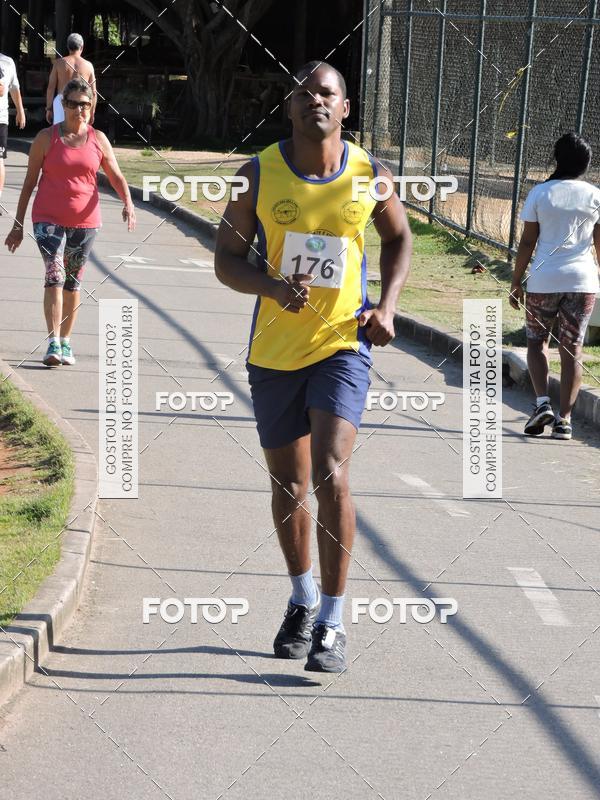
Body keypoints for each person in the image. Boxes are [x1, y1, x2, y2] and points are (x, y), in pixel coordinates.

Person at [215, 61, 412, 672]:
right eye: (303, 94)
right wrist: (273, 288)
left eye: (326, 93)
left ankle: (332, 620)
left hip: (342, 346)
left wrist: (388, 305)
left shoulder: (368, 175)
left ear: (344, 108)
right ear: (289, 106)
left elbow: (400, 239)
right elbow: (225, 260)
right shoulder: (257, 174)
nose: (314, 102)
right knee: (289, 485)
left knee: (329, 472)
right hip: (274, 352)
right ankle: (300, 601)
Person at [5, 78, 135, 367]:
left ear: (92, 107)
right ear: (63, 105)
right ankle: (52, 342)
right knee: (55, 274)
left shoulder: (98, 139)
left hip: (86, 221)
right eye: (74, 104)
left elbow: (115, 175)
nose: (80, 109)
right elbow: (28, 184)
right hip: (47, 219)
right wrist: (18, 224)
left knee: (73, 282)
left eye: (85, 104)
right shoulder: (45, 139)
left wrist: (127, 202)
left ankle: (65, 341)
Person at [510, 131, 600, 440]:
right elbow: (599, 244)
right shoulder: (595, 195)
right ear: (586, 164)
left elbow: (526, 242)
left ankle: (542, 403)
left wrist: (516, 280)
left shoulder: (540, 194)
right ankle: (565, 420)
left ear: (557, 159)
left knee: (537, 342)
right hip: (583, 282)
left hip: (543, 281)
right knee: (572, 348)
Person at [46, 33, 96, 126]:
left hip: (62, 101)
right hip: (81, 102)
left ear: (68, 47)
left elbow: (51, 88)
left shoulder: (58, 63)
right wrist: (92, 112)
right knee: (79, 133)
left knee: (60, 133)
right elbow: (93, 92)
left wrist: (49, 108)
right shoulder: (88, 66)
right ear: (82, 47)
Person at [0, 51, 26, 213]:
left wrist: (20, 110)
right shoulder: (8, 61)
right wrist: (20, 111)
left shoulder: (7, 62)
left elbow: (4, 90)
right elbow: (13, 89)